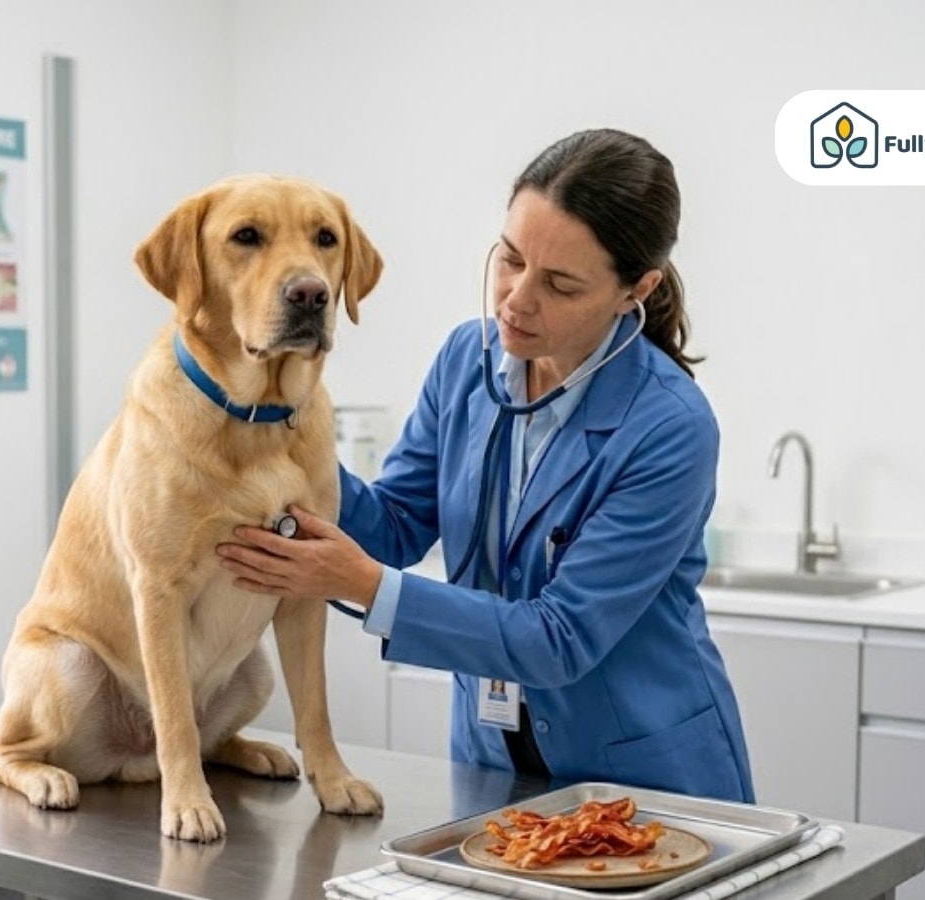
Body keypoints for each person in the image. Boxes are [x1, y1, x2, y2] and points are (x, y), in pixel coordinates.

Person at [216, 129, 754, 803]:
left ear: (633, 289)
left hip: (644, 780)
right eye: (510, 258)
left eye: (559, 283)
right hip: (494, 766)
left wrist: (365, 585)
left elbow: (560, 638)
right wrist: (287, 435)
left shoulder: (669, 426)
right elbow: (395, 525)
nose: (516, 300)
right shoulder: (465, 363)